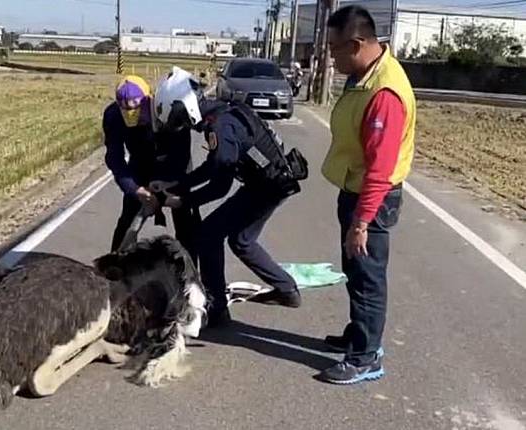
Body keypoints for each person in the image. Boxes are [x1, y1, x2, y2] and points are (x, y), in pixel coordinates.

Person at [150, 66, 308, 327]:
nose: (179, 126)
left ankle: (217, 311)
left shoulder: (220, 128)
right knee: (242, 240)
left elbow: (219, 186)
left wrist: (182, 200)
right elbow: (212, 168)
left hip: (268, 186)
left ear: (185, 107)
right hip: (273, 181)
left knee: (208, 236)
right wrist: (175, 184)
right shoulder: (220, 114)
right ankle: (287, 290)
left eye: (177, 118)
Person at [317, 6, 416, 385]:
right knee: (355, 272)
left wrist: (361, 222)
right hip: (355, 189)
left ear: (357, 44)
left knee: (367, 277)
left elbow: (380, 168)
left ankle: (365, 356)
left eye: (335, 49)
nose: (330, 56)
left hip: (371, 198)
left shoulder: (384, 92)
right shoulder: (364, 74)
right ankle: (360, 334)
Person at [102, 75, 200, 262]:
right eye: (128, 112)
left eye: (140, 115)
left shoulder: (168, 108)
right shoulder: (113, 116)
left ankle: (192, 273)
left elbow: (181, 155)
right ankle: (115, 269)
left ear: (149, 99)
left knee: (186, 222)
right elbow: (114, 157)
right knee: (127, 222)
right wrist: (133, 188)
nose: (137, 120)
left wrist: (164, 189)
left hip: (173, 167)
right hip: (140, 165)